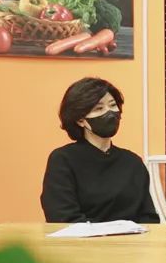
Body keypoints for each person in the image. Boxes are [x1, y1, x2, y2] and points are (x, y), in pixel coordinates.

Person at [40, 77, 159, 223]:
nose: (109, 112)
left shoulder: (133, 162)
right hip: (82, 238)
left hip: (132, 238)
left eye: (113, 105)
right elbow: (62, 217)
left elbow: (149, 217)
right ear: (80, 120)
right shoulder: (63, 160)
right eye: (99, 108)